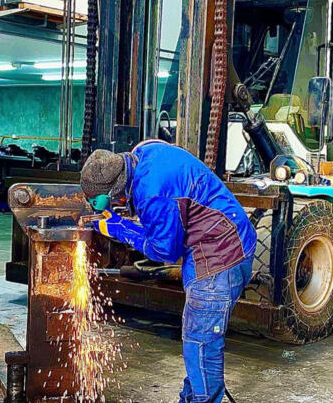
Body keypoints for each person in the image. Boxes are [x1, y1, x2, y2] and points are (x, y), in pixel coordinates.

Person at [80, 140, 256, 403]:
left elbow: (165, 252)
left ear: (115, 191)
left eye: (98, 201)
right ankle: (193, 397)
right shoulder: (143, 153)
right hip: (224, 242)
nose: (96, 206)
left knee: (201, 343)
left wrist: (119, 228)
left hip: (220, 256)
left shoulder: (152, 192)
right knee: (199, 345)